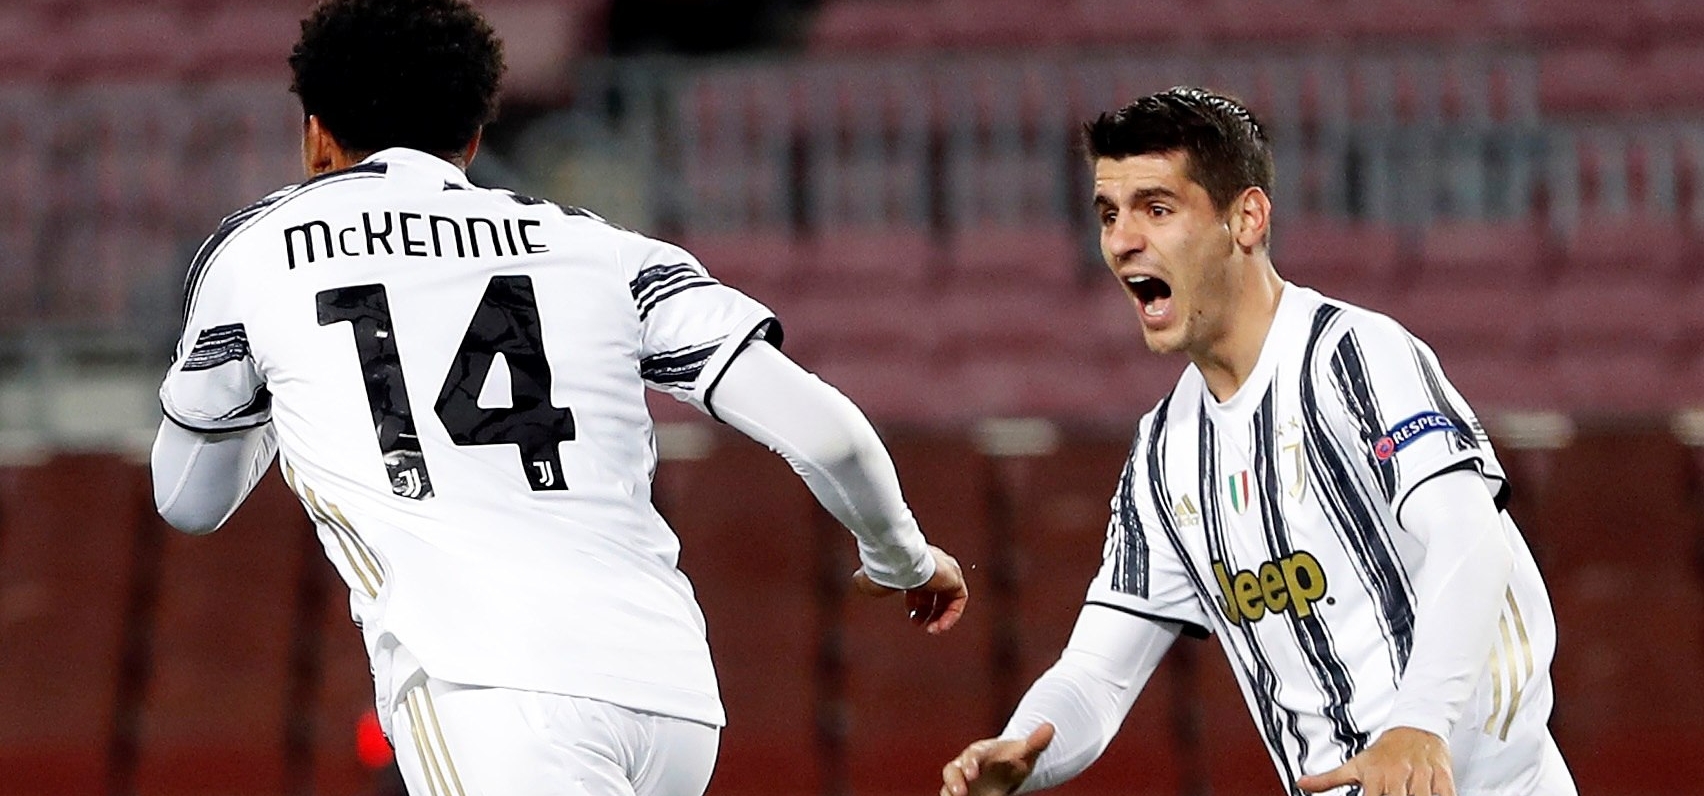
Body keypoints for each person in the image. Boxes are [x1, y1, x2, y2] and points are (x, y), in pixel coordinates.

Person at [148, 1, 969, 795]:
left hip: (487, 689)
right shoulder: (603, 249)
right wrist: (900, 557)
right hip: (673, 699)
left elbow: (188, 500)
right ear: (471, 140)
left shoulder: (259, 249)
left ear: (316, 135)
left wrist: (277, 393)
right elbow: (829, 434)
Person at [939, 87, 1576, 796]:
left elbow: (1470, 536)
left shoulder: (1352, 357)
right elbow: (1096, 675)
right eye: (1109, 214)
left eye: (1157, 209)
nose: (1121, 240)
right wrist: (1020, 752)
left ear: (1246, 218)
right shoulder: (1164, 454)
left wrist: (1418, 724)